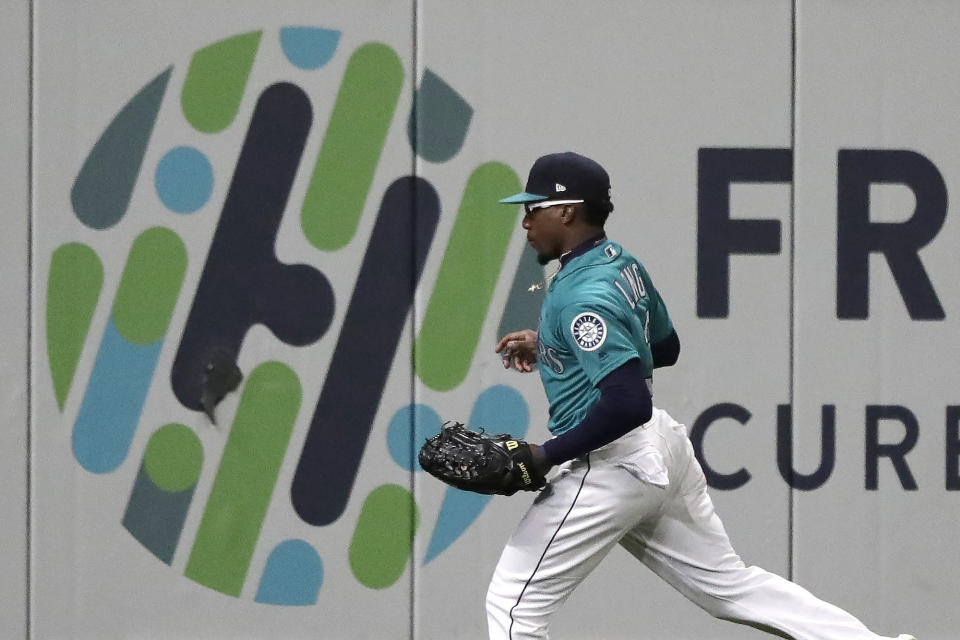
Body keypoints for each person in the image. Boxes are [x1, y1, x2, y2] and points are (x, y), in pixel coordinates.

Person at [487, 151, 915, 640]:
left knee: (512, 606)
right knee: (729, 587)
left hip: (610, 462)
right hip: (658, 448)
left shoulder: (582, 294)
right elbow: (663, 347)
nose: (526, 220)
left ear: (566, 210)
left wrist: (544, 454)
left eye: (534, 207)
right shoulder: (618, 262)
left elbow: (627, 402)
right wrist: (555, 346)